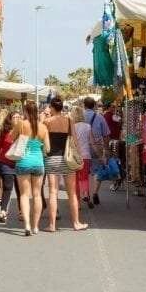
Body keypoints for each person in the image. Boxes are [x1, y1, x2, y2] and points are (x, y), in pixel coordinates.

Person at [41, 95, 88, 232]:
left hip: (51, 159)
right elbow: (74, 140)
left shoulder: (47, 122)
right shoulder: (69, 120)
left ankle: (52, 225)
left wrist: (43, 118)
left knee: (53, 192)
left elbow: (42, 141)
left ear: (52, 107)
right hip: (67, 159)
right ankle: (76, 223)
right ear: (61, 107)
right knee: (72, 193)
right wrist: (80, 157)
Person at [14, 100, 48, 236]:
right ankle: (35, 226)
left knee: (24, 195)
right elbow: (48, 148)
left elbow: (11, 138)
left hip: (23, 161)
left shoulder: (21, 124)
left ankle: (27, 225)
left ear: (26, 112)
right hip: (38, 162)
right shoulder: (43, 127)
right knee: (37, 195)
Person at [0, 111, 19, 224]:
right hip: (6, 163)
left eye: (18, 117)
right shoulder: (5, 132)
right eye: (14, 117)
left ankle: (21, 211)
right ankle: (3, 211)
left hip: (20, 163)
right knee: (7, 187)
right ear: (10, 119)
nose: (16, 119)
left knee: (20, 190)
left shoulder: (23, 131)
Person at [85, 98, 111, 206]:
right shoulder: (100, 117)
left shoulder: (79, 117)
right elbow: (106, 135)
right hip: (98, 146)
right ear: (94, 105)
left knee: (86, 172)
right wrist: (106, 149)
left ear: (84, 105)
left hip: (84, 146)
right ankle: (94, 192)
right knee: (97, 170)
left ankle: (87, 193)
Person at [73, 105, 93, 205]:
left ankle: (78, 203)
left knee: (76, 179)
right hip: (86, 155)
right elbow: (91, 141)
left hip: (75, 156)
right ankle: (85, 194)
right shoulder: (88, 126)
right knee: (85, 177)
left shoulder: (72, 127)